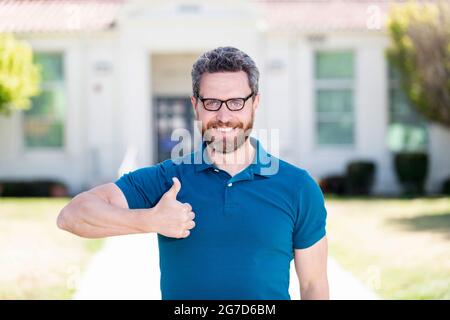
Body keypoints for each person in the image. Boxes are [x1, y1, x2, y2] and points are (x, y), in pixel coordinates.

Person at [57, 46, 329, 300]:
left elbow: (313, 284)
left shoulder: (298, 187)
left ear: (255, 103)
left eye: (236, 101)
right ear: (195, 104)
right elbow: (72, 216)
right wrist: (151, 220)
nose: (223, 115)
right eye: (212, 102)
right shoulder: (167, 179)